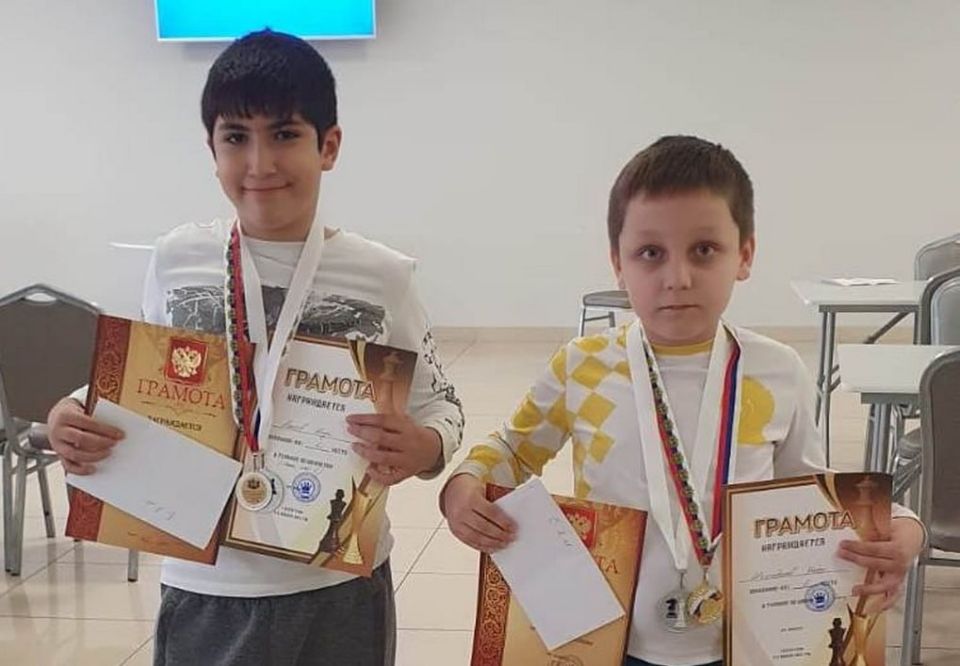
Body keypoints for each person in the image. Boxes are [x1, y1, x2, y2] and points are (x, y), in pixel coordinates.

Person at [46, 30, 464, 666]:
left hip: (338, 584)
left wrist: (426, 446)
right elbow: (144, 383)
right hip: (205, 582)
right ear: (211, 150)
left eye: (285, 134)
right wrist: (74, 411)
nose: (260, 163)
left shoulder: (382, 276)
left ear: (329, 146)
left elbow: (442, 405)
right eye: (236, 137)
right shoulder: (178, 261)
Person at [440, 135, 925, 666]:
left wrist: (904, 527)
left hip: (745, 640)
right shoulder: (582, 366)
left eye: (704, 250)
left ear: (744, 255)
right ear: (618, 263)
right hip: (612, 636)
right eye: (650, 254)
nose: (677, 278)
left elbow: (809, 492)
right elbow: (513, 450)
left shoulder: (776, 370)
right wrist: (463, 485)